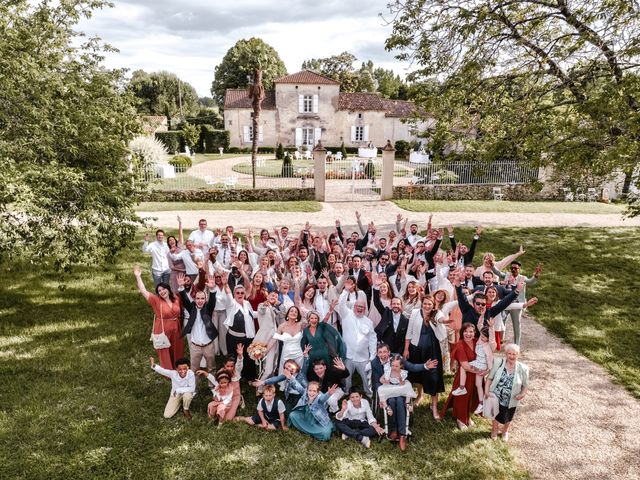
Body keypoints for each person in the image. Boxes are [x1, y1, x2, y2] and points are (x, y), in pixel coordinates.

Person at [404, 295, 446, 419]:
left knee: (433, 378)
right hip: (416, 348)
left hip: (432, 350)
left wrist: (444, 321)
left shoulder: (436, 314)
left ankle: (434, 406)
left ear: (433, 305)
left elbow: (441, 319)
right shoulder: (415, 312)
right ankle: (419, 395)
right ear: (422, 303)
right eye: (425, 303)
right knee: (417, 375)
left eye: (429, 304)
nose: (427, 306)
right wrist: (406, 349)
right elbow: (409, 331)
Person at [134, 265, 183, 369]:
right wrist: (138, 276)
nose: (162, 292)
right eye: (159, 291)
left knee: (177, 348)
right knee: (164, 349)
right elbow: (143, 290)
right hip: (163, 328)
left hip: (176, 328)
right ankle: (168, 371)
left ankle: (178, 368)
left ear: (168, 289)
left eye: (163, 289)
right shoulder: (156, 300)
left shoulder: (176, 298)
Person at [440, 323, 487, 429]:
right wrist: (481, 371)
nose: (468, 334)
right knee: (463, 397)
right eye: (466, 331)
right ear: (462, 332)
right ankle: (460, 419)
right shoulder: (460, 345)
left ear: (475, 333)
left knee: (474, 396)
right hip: (465, 377)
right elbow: (465, 366)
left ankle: (468, 416)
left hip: (477, 376)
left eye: (471, 331)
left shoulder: (477, 342)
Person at [485, 343, 529, 441]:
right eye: (509, 354)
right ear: (506, 354)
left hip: (512, 398)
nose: (511, 356)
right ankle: (494, 429)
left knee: (508, 416)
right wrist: (486, 391)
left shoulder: (523, 368)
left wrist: (522, 394)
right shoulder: (498, 363)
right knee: (496, 413)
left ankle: (505, 431)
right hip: (496, 395)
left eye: (514, 354)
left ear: (518, 355)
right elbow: (489, 378)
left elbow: (525, 385)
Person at [336, 296, 377, 398]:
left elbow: (373, 339)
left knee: (366, 378)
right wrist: (346, 290)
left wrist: (372, 356)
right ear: (354, 307)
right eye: (358, 306)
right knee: (347, 377)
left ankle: (369, 393)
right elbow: (341, 303)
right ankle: (346, 392)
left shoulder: (368, 322)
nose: (360, 308)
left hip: (363, 357)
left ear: (365, 309)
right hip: (348, 355)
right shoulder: (346, 315)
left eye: (362, 307)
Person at [177, 273, 218, 372]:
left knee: (211, 367)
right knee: (194, 368)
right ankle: (194, 386)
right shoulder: (191, 308)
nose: (200, 301)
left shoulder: (208, 308)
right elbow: (185, 299)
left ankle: (212, 385)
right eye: (198, 298)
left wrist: (212, 290)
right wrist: (181, 287)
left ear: (205, 299)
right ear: (194, 300)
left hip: (208, 345)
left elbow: (212, 301)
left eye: (202, 298)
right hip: (195, 346)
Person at [452, 326, 493, 415]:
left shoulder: (487, 346)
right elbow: (479, 326)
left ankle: (462, 387)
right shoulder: (479, 340)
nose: (480, 338)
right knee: (478, 385)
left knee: (463, 368)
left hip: (481, 365)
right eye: (480, 335)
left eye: (483, 337)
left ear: (488, 338)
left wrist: (488, 370)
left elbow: (490, 358)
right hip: (478, 363)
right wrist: (482, 316)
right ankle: (481, 403)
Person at [287, 374, 339, 441]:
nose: (311, 393)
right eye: (310, 390)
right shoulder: (305, 393)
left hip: (318, 421)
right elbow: (298, 387)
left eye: (314, 391)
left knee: (325, 433)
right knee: (292, 415)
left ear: (318, 392)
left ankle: (314, 431)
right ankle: (307, 429)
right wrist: (291, 378)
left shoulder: (319, 398)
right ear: (307, 390)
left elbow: (323, 398)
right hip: (306, 418)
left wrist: (329, 394)